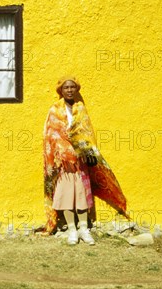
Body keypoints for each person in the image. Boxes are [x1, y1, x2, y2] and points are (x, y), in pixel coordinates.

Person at [43, 76, 101, 245]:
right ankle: (72, 230)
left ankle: (84, 229)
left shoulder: (80, 108)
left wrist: (89, 151)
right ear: (61, 90)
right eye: (66, 87)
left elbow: (87, 131)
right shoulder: (54, 110)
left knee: (82, 193)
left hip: (80, 159)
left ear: (76, 90)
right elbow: (51, 134)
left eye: (72, 87)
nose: (69, 90)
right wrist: (62, 152)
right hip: (64, 160)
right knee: (67, 194)